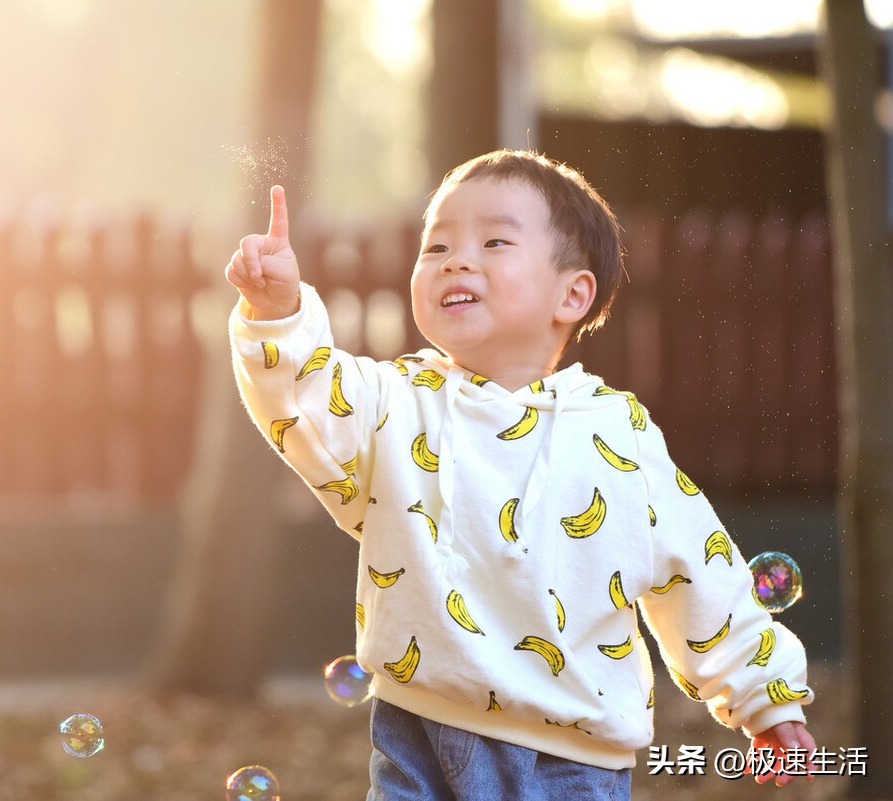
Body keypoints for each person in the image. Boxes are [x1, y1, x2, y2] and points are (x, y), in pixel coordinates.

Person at [224, 150, 815, 799]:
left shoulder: (618, 435)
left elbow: (701, 571)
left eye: (494, 240)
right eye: (437, 244)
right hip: (419, 733)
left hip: (575, 759)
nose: (456, 258)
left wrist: (767, 699)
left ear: (572, 293)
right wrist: (278, 311)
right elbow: (308, 401)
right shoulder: (395, 403)